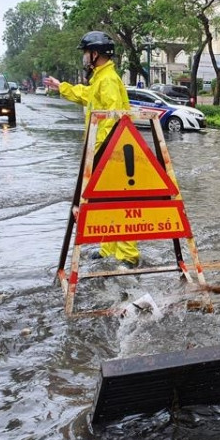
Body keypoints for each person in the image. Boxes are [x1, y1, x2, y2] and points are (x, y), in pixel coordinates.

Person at [44, 31, 140, 266]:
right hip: (106, 149)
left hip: (111, 151)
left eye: (86, 53)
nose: (84, 57)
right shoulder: (101, 78)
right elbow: (87, 95)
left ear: (95, 54)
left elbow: (112, 116)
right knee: (106, 202)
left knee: (118, 204)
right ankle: (108, 248)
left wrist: (98, 152)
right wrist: (62, 87)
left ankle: (128, 255)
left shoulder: (107, 80)